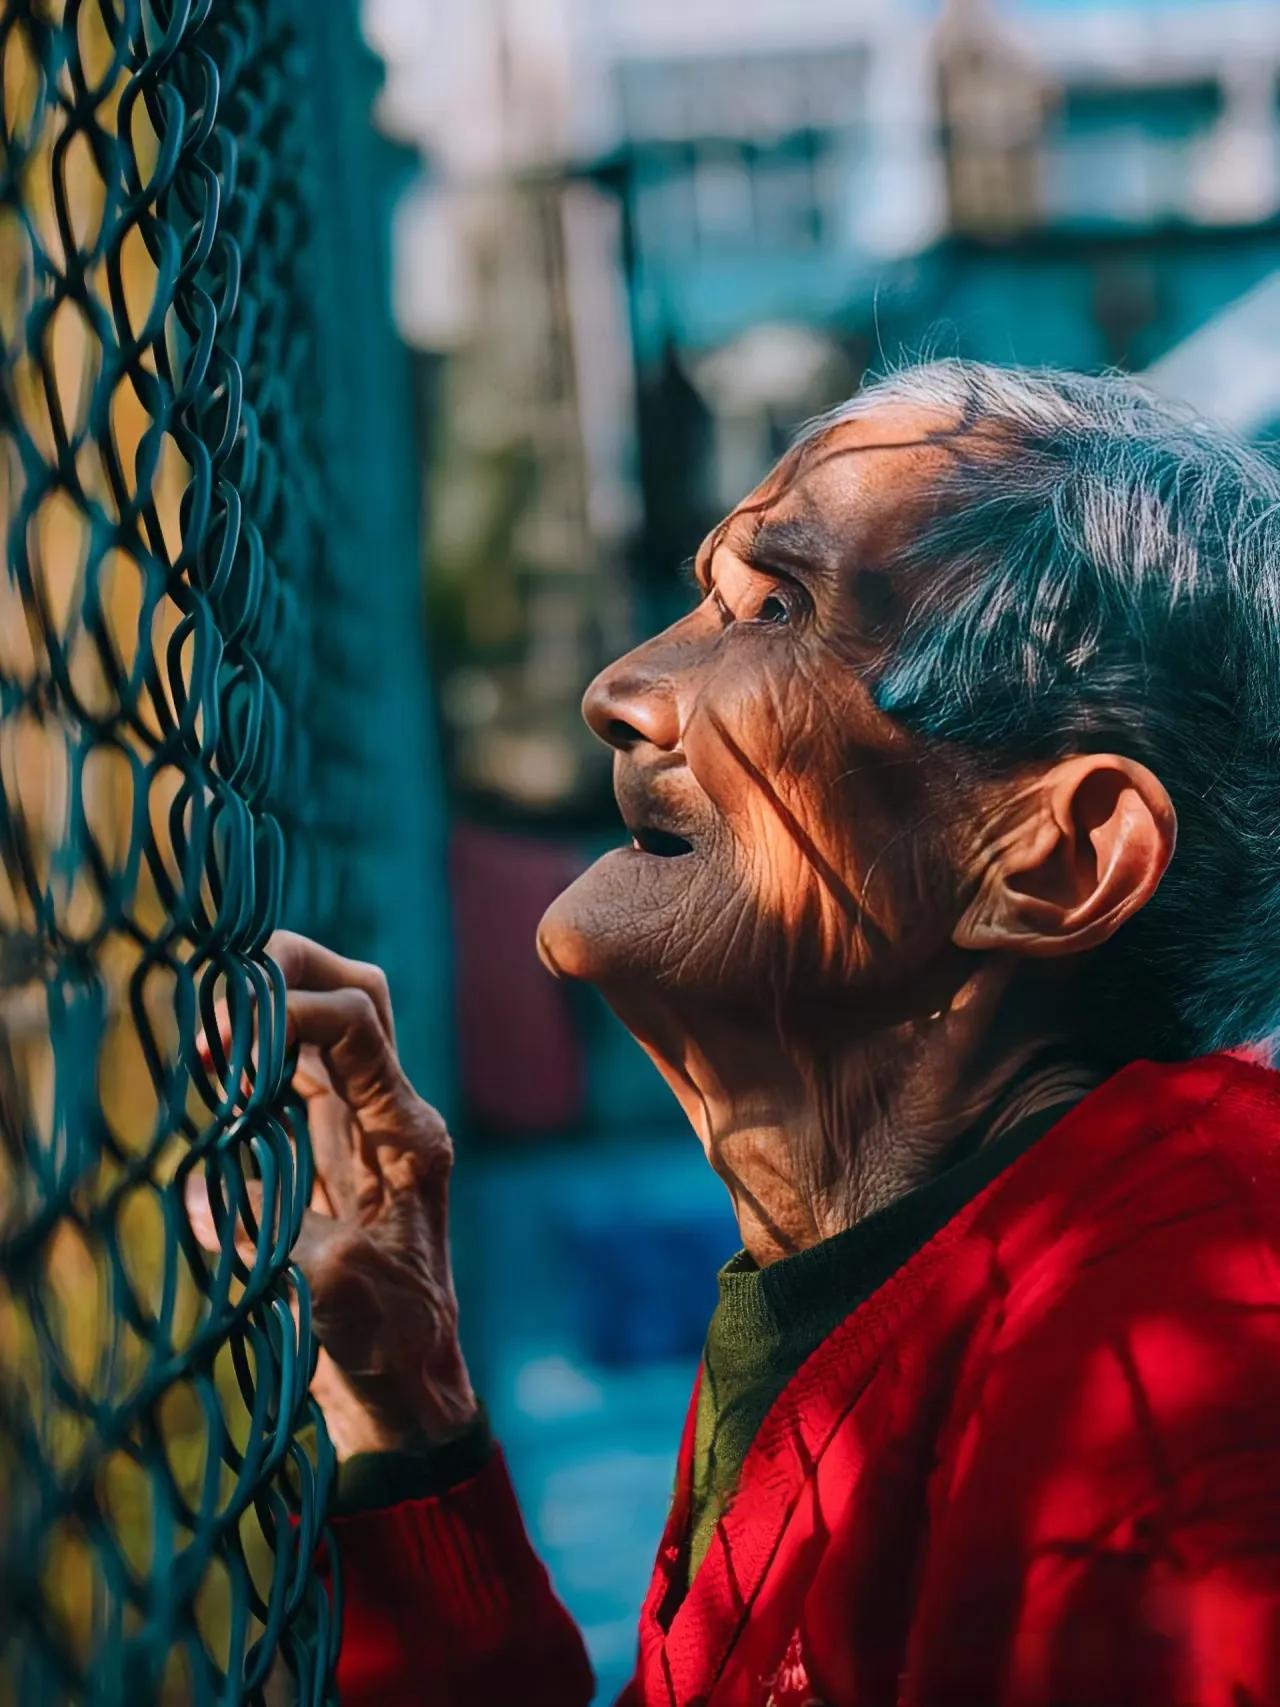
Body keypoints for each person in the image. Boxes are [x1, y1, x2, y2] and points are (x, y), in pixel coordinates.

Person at [270, 363, 1280, 1705]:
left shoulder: (1182, 1375)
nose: (621, 689)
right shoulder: (877, 1273)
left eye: (780, 609)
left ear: (1054, 857)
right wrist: (410, 1412)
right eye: (707, 595)